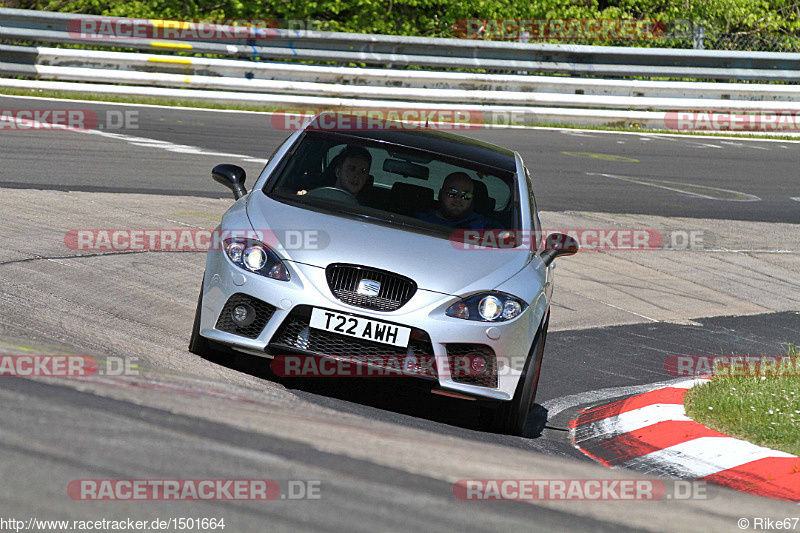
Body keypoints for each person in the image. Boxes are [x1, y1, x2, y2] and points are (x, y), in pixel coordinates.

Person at [418, 172, 485, 229]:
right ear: (440, 194)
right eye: (452, 193)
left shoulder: (482, 224)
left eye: (466, 195)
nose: (458, 199)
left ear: (471, 199)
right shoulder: (419, 220)